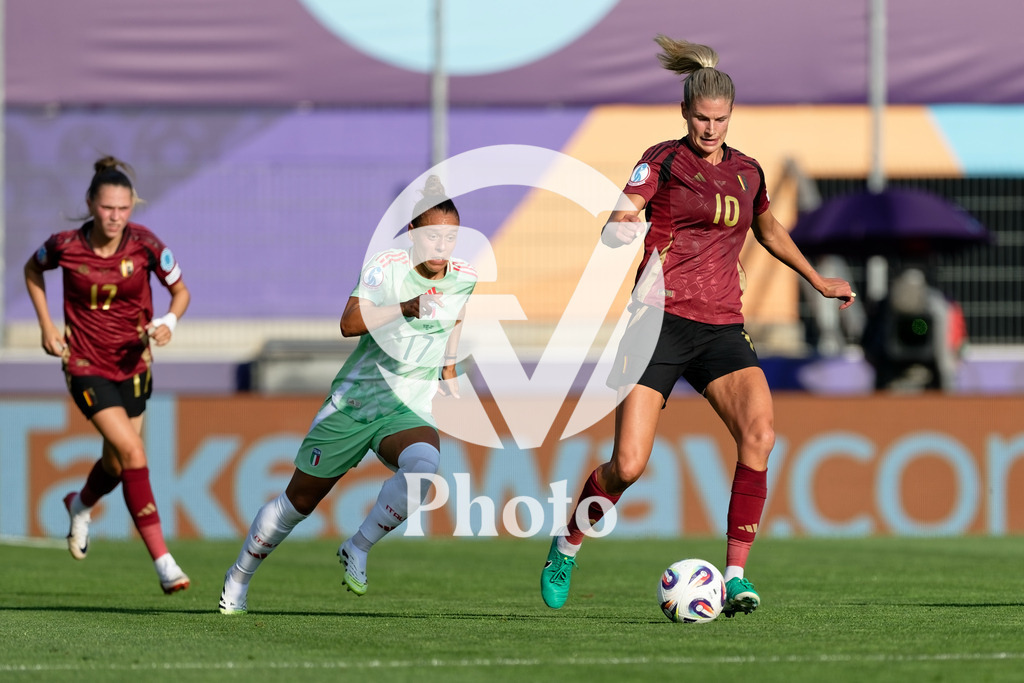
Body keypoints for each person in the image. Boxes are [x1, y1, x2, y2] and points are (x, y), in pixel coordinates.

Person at [539, 36, 856, 616]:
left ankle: (735, 576)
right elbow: (627, 205)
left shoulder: (747, 171)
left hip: (721, 327)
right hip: (656, 323)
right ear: (684, 114)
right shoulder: (663, 159)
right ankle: (567, 545)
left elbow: (768, 228)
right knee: (627, 466)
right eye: (701, 118)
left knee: (760, 434)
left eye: (720, 119)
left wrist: (816, 278)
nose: (710, 128)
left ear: (731, 117)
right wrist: (619, 225)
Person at [219, 175, 476, 615]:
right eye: (432, 235)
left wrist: (449, 364)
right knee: (298, 503)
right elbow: (348, 323)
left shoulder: (465, 277)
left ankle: (358, 547)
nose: (442, 246)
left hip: (405, 406)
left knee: (423, 469)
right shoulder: (386, 267)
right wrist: (403, 307)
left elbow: (455, 316)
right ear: (413, 234)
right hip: (355, 404)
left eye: (450, 237)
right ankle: (239, 577)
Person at [24, 156, 192, 594]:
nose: (115, 217)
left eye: (123, 209)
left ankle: (79, 505)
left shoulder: (146, 245)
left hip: (134, 365)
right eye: (107, 208)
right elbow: (32, 269)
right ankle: (164, 562)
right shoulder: (64, 246)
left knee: (117, 464)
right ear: (90, 205)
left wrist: (168, 323)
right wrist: (46, 325)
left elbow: (180, 291)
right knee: (134, 452)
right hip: (84, 364)